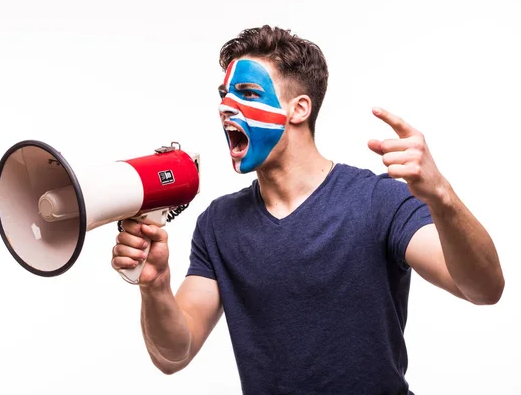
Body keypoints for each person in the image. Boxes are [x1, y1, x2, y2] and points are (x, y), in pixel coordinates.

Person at [111, 25, 505, 394]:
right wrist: (155, 285)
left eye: (247, 93)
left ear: (299, 109)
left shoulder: (377, 200)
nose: (225, 108)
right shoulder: (218, 224)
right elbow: (174, 354)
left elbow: (484, 289)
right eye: (223, 95)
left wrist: (442, 196)